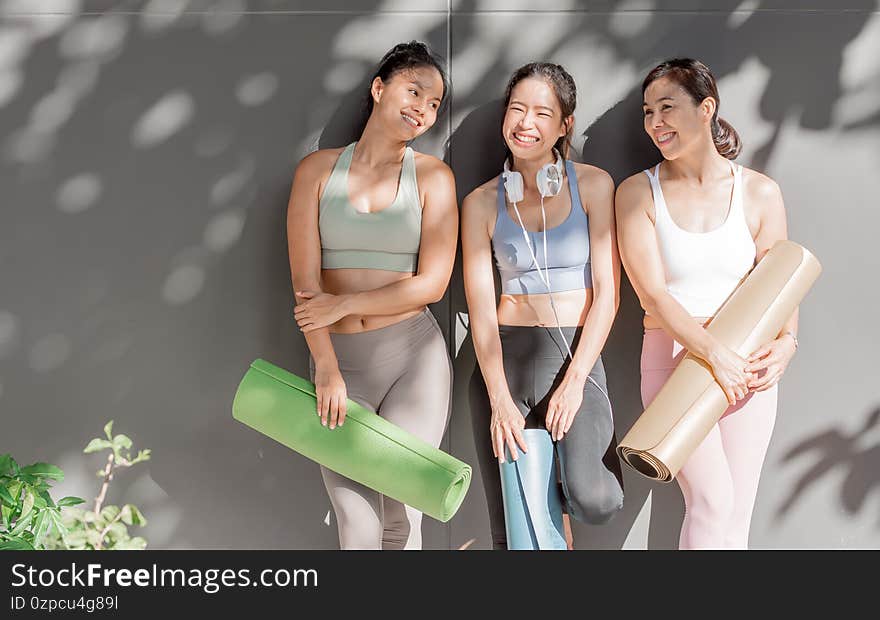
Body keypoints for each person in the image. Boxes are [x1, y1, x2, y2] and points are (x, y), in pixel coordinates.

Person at [615, 58, 798, 549]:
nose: (655, 122)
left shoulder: (759, 192)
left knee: (736, 513)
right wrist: (713, 353)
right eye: (648, 111)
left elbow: (780, 282)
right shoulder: (637, 193)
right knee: (712, 501)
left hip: (750, 365)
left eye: (668, 107)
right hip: (676, 360)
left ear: (706, 108)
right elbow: (652, 293)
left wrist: (787, 344)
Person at [286, 41, 458, 550]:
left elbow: (433, 284)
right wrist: (325, 365)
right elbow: (305, 286)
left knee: (402, 518)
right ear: (379, 88)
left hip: (414, 361)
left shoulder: (433, 178)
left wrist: (345, 304)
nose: (423, 109)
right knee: (357, 524)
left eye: (434, 104)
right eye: (415, 91)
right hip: (337, 365)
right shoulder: (316, 171)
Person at [462, 62, 624, 550]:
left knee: (595, 498)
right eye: (516, 109)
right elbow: (481, 309)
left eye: (541, 113)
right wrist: (498, 399)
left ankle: (556, 491)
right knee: (514, 530)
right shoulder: (480, 203)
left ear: (564, 124)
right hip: (505, 361)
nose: (525, 124)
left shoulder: (594, 185)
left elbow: (607, 294)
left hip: (574, 354)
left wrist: (575, 383)